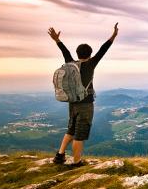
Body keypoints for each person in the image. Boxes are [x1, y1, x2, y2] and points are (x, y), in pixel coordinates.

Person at [47, 23, 119, 166]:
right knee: (79, 135)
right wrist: (113, 36)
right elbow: (103, 49)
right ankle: (77, 162)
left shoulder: (70, 64)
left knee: (71, 129)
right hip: (85, 104)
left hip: (72, 103)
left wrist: (57, 40)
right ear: (90, 54)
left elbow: (65, 52)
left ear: (78, 54)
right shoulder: (91, 64)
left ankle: (60, 156)